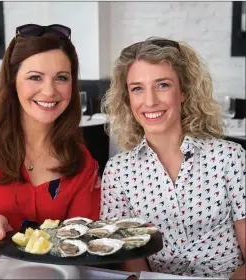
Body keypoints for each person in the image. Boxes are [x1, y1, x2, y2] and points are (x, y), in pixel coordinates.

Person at [0, 24, 102, 253]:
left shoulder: (82, 163)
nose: (49, 91)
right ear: (13, 82)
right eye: (35, 77)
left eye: (62, 78)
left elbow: (80, 245)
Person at [100, 37, 245, 279]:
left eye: (163, 85)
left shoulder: (230, 158)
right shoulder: (118, 172)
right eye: (137, 88)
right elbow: (132, 264)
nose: (150, 101)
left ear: (184, 91)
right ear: (127, 98)